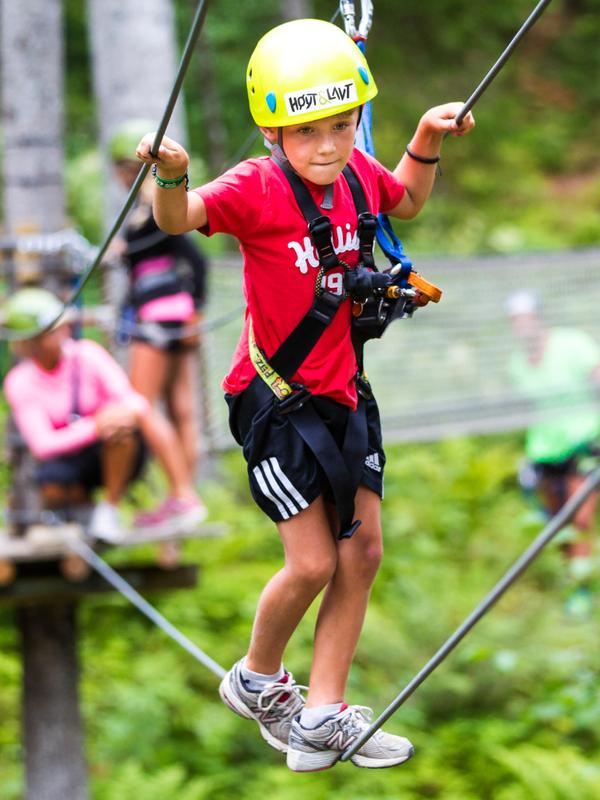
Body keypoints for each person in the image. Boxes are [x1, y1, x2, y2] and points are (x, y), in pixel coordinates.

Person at [136, 19, 475, 771]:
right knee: (316, 561)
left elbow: (406, 202)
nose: (328, 146)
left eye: (343, 126)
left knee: (364, 553)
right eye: (308, 132)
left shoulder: (357, 175)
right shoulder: (255, 187)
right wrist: (172, 174)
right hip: (275, 399)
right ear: (272, 131)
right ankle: (256, 678)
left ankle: (323, 713)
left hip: (344, 392)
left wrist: (426, 135)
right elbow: (178, 219)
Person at [2, 287, 205, 543]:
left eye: (62, 326)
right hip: (70, 462)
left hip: (110, 452)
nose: (63, 333)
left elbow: (136, 403)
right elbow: (42, 444)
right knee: (53, 483)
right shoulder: (20, 382)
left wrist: (113, 417)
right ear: (29, 343)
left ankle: (118, 507)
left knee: (122, 428)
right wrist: (94, 426)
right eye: (51, 331)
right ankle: (85, 516)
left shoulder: (88, 354)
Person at [110, 120, 208, 527]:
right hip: (179, 313)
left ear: (128, 170)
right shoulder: (149, 210)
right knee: (181, 408)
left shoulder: (151, 211)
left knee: (140, 405)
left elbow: (197, 259)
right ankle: (182, 498)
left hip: (156, 315)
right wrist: (194, 307)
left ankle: (183, 495)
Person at [506, 290, 600, 615]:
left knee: (580, 519)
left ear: (539, 318)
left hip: (582, 443)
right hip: (545, 454)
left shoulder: (571, 344)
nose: (522, 326)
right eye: (516, 321)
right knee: (559, 526)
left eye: (526, 318)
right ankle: (574, 583)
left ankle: (582, 592)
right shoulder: (517, 364)